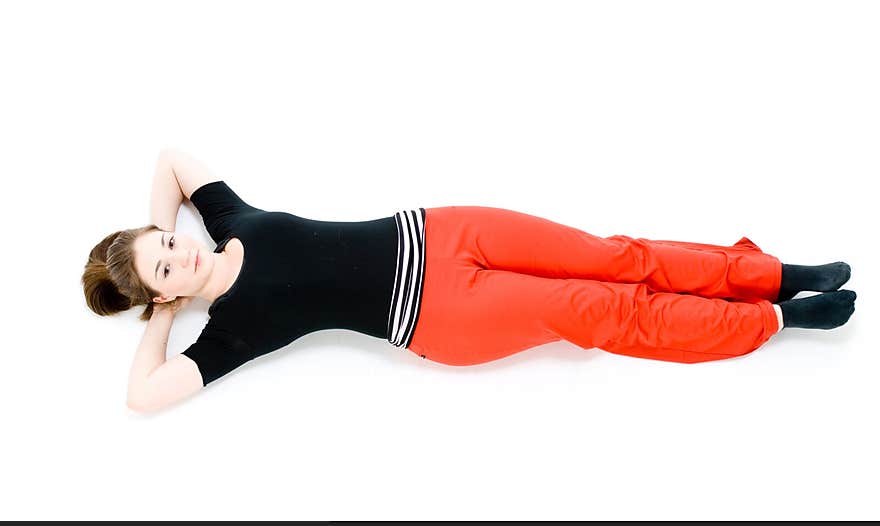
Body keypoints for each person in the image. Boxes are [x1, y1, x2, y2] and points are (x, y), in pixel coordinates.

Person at [82, 150, 856, 413]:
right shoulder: (232, 329)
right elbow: (140, 396)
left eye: (164, 240)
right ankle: (775, 321)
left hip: (444, 228)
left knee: (617, 254)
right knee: (605, 309)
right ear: (164, 291)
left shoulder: (230, 221)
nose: (178, 250)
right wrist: (161, 313)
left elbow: (170, 157)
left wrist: (147, 242)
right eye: (164, 264)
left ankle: (776, 275)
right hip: (443, 315)